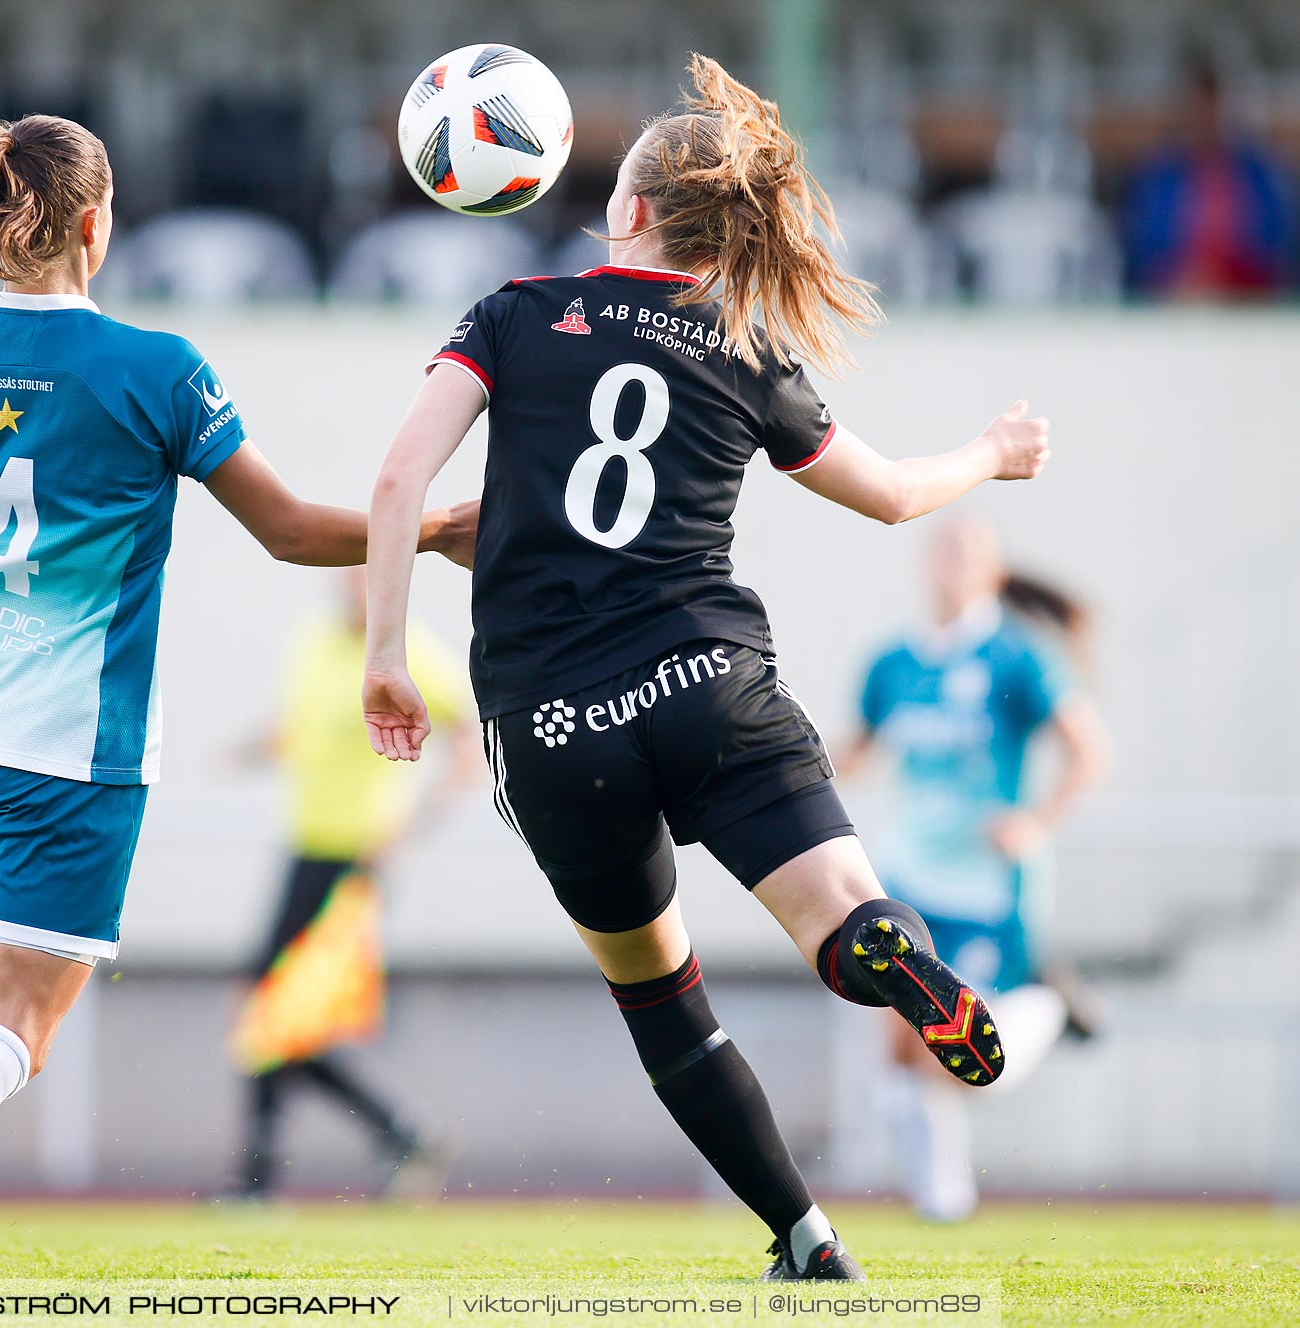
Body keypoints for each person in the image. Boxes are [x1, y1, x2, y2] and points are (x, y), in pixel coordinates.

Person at [0, 114, 475, 1295]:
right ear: (96, 221)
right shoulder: (158, 368)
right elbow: (288, 531)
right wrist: (430, 529)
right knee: (15, 1023)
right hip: (68, 734)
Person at [360, 55, 1053, 1282]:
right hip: (708, 682)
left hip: (556, 727)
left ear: (625, 211)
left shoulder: (513, 314)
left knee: (664, 997)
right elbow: (892, 496)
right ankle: (881, 946)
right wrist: (993, 456)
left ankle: (806, 1235)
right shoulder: (742, 344)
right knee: (843, 909)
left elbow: (396, 482)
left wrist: (386, 655)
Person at [844, 516, 1110, 1221]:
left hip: (988, 888)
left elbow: (1090, 753)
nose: (951, 564)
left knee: (965, 1054)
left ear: (994, 572)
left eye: (968, 553)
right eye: (943, 550)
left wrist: (1034, 823)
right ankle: (943, 1198)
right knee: (901, 1044)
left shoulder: (1019, 658)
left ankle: (1050, 1005)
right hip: (906, 881)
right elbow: (857, 753)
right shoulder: (891, 664)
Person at [228, 568, 473, 1198]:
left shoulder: (409, 651)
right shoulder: (313, 640)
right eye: (349, 576)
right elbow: (304, 729)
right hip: (305, 853)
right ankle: (399, 1132)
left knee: (277, 1014)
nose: (354, 589)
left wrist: (411, 831)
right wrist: (257, 748)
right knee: (273, 1015)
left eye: (369, 578)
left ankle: (263, 1181)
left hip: (356, 864)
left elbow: (466, 738)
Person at [1120, 61, 1295, 298]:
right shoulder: (1159, 175)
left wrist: (1228, 275)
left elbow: (1276, 243)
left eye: (1213, 109)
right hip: (1175, 298)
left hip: (1247, 298)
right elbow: (1143, 247)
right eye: (1198, 109)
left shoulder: (1257, 172)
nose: (1206, 119)